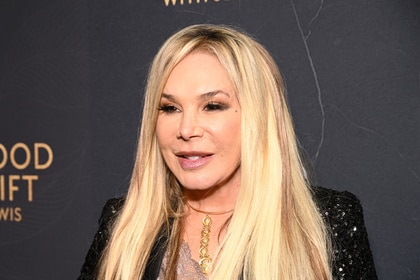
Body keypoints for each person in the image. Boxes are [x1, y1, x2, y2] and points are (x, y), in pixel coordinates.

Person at [78, 24, 377, 280]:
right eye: (170, 108)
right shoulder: (122, 225)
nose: (186, 129)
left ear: (258, 117)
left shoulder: (327, 222)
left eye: (212, 106)